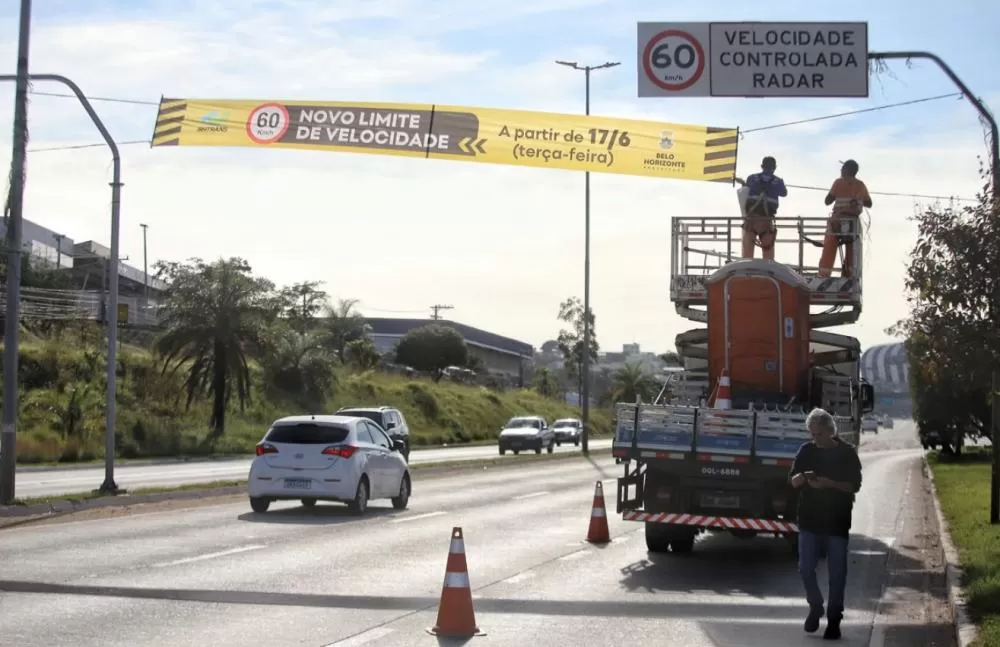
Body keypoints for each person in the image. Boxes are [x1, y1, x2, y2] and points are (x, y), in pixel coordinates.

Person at [788, 407, 863, 640]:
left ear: (831, 432)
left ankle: (834, 619)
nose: (815, 438)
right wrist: (799, 479)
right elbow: (792, 480)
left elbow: (854, 485)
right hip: (810, 521)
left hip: (837, 523)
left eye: (819, 434)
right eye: (812, 434)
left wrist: (829, 483)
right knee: (805, 568)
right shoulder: (806, 451)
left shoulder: (847, 454)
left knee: (837, 574)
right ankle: (816, 605)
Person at [817, 160, 872, 278]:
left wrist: (838, 193)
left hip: (837, 220)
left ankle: (823, 275)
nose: (840, 171)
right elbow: (869, 203)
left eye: (842, 169)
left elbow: (827, 201)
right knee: (852, 250)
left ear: (846, 170)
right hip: (853, 222)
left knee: (830, 245)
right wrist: (858, 199)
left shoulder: (838, 182)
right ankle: (850, 275)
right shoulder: (860, 185)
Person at [738, 156, 788, 260]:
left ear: (762, 166)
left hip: (751, 221)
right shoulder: (778, 181)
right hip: (766, 221)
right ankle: (767, 273)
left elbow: (746, 189)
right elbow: (784, 193)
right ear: (775, 167)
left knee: (746, 256)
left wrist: (743, 183)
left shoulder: (751, 178)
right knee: (768, 256)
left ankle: (746, 272)